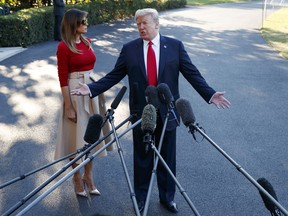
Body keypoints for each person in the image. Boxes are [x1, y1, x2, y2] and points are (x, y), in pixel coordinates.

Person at [71, 8, 231, 212]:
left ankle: (167, 198)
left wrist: (210, 94)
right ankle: (140, 198)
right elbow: (114, 75)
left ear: (157, 24)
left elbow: (193, 74)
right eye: (138, 24)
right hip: (141, 113)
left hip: (168, 112)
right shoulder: (129, 49)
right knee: (142, 159)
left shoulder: (175, 46)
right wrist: (92, 88)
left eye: (144, 23)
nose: (140, 27)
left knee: (167, 158)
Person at [54, 8, 115, 198]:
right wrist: (69, 107)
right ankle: (77, 177)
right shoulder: (64, 47)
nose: (86, 24)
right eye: (83, 22)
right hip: (74, 93)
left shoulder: (88, 42)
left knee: (92, 137)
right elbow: (62, 79)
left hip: (91, 91)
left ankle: (89, 175)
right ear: (74, 24)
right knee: (76, 138)